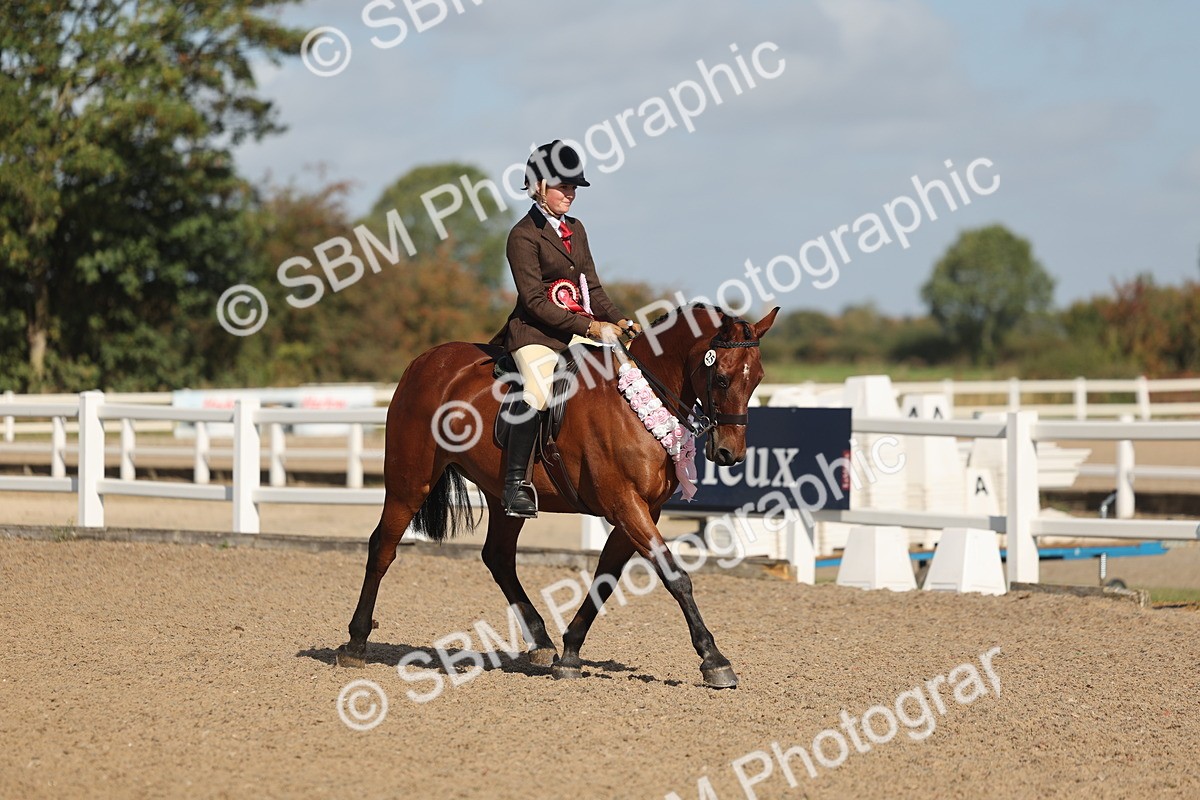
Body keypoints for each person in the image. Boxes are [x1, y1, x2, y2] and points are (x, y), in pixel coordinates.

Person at [489, 140, 642, 518]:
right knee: (539, 390)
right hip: (535, 335)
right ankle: (515, 485)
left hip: (577, 332)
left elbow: (593, 288)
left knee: (621, 380)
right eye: (563, 186)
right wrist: (591, 329)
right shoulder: (522, 236)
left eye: (574, 187)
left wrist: (620, 320)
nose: (571, 194)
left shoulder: (577, 229)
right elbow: (534, 302)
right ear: (539, 186)